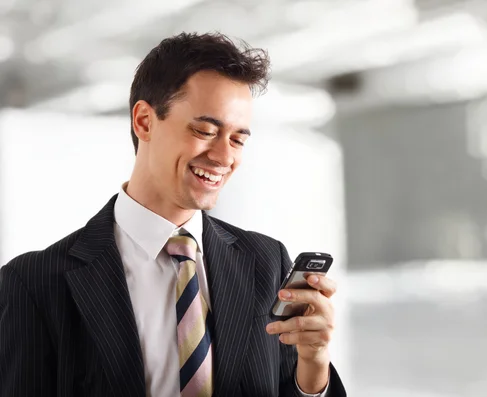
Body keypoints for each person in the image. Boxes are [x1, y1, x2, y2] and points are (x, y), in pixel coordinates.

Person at [0, 32, 346, 397]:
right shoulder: (34, 284)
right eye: (205, 130)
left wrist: (314, 364)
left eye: (238, 139)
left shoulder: (266, 263)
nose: (224, 156)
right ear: (145, 121)